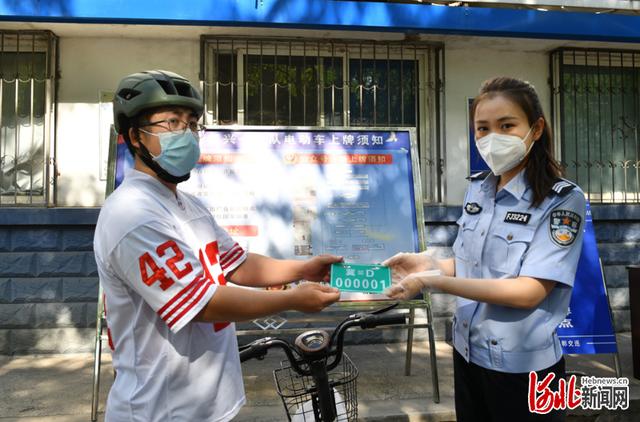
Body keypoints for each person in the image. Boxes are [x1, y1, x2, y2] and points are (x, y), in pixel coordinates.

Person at [93, 70, 341, 422]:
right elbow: (202, 304)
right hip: (159, 410)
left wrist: (303, 268)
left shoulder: (187, 206)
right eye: (172, 123)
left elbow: (237, 265)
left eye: (192, 123)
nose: (187, 134)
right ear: (135, 136)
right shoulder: (132, 214)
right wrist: (292, 300)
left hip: (207, 404)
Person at [384, 76, 586, 421]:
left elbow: (529, 291)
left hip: (524, 370)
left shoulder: (562, 200)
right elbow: (471, 265)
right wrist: (424, 264)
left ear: (535, 129)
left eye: (506, 125)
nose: (492, 138)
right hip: (468, 354)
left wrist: (433, 282)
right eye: (482, 128)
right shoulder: (479, 189)